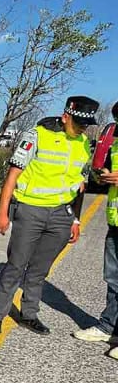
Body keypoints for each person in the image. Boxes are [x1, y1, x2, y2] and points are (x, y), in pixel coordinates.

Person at [0, 96, 99, 336]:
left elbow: (80, 184)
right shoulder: (37, 135)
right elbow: (13, 175)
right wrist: (2, 212)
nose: (81, 128)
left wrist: (75, 220)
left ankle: (29, 314)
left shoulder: (84, 143)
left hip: (60, 215)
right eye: (78, 122)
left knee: (40, 268)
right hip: (30, 211)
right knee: (16, 265)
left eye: (85, 124)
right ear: (66, 116)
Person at [73, 100, 118, 358]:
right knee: (113, 278)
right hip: (115, 219)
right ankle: (109, 327)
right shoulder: (115, 139)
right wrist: (102, 176)